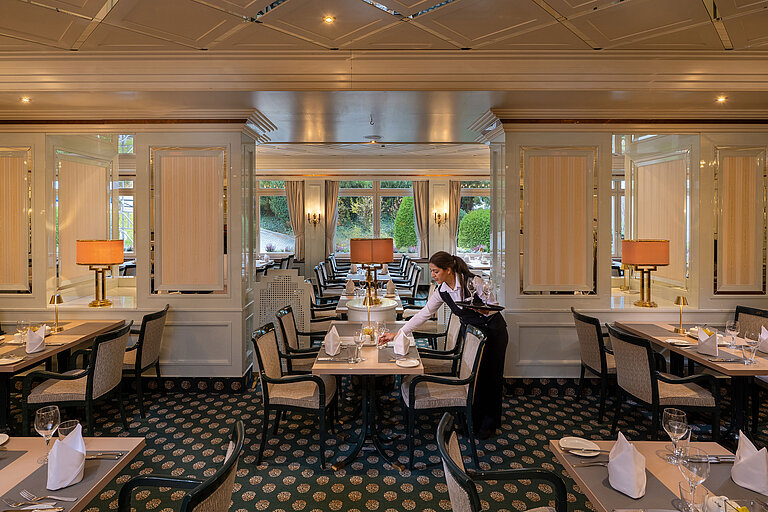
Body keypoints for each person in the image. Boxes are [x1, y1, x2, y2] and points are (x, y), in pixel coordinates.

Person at [380, 251, 508, 439]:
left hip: (493, 331)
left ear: (448, 270)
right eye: (431, 271)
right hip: (472, 333)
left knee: (489, 378)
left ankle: (488, 425)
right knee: (475, 378)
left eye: (435, 271)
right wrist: (398, 334)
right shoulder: (442, 291)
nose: (432, 275)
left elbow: (493, 306)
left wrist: (480, 310)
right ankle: (472, 421)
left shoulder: (473, 282)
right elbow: (424, 314)